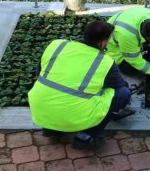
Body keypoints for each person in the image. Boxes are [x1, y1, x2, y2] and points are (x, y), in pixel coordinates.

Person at [28, 20, 132, 150]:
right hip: (75, 117)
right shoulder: (105, 62)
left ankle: (50, 128)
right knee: (123, 93)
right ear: (102, 42)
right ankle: (86, 136)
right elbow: (119, 85)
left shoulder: (57, 45)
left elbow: (40, 70)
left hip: (40, 111)